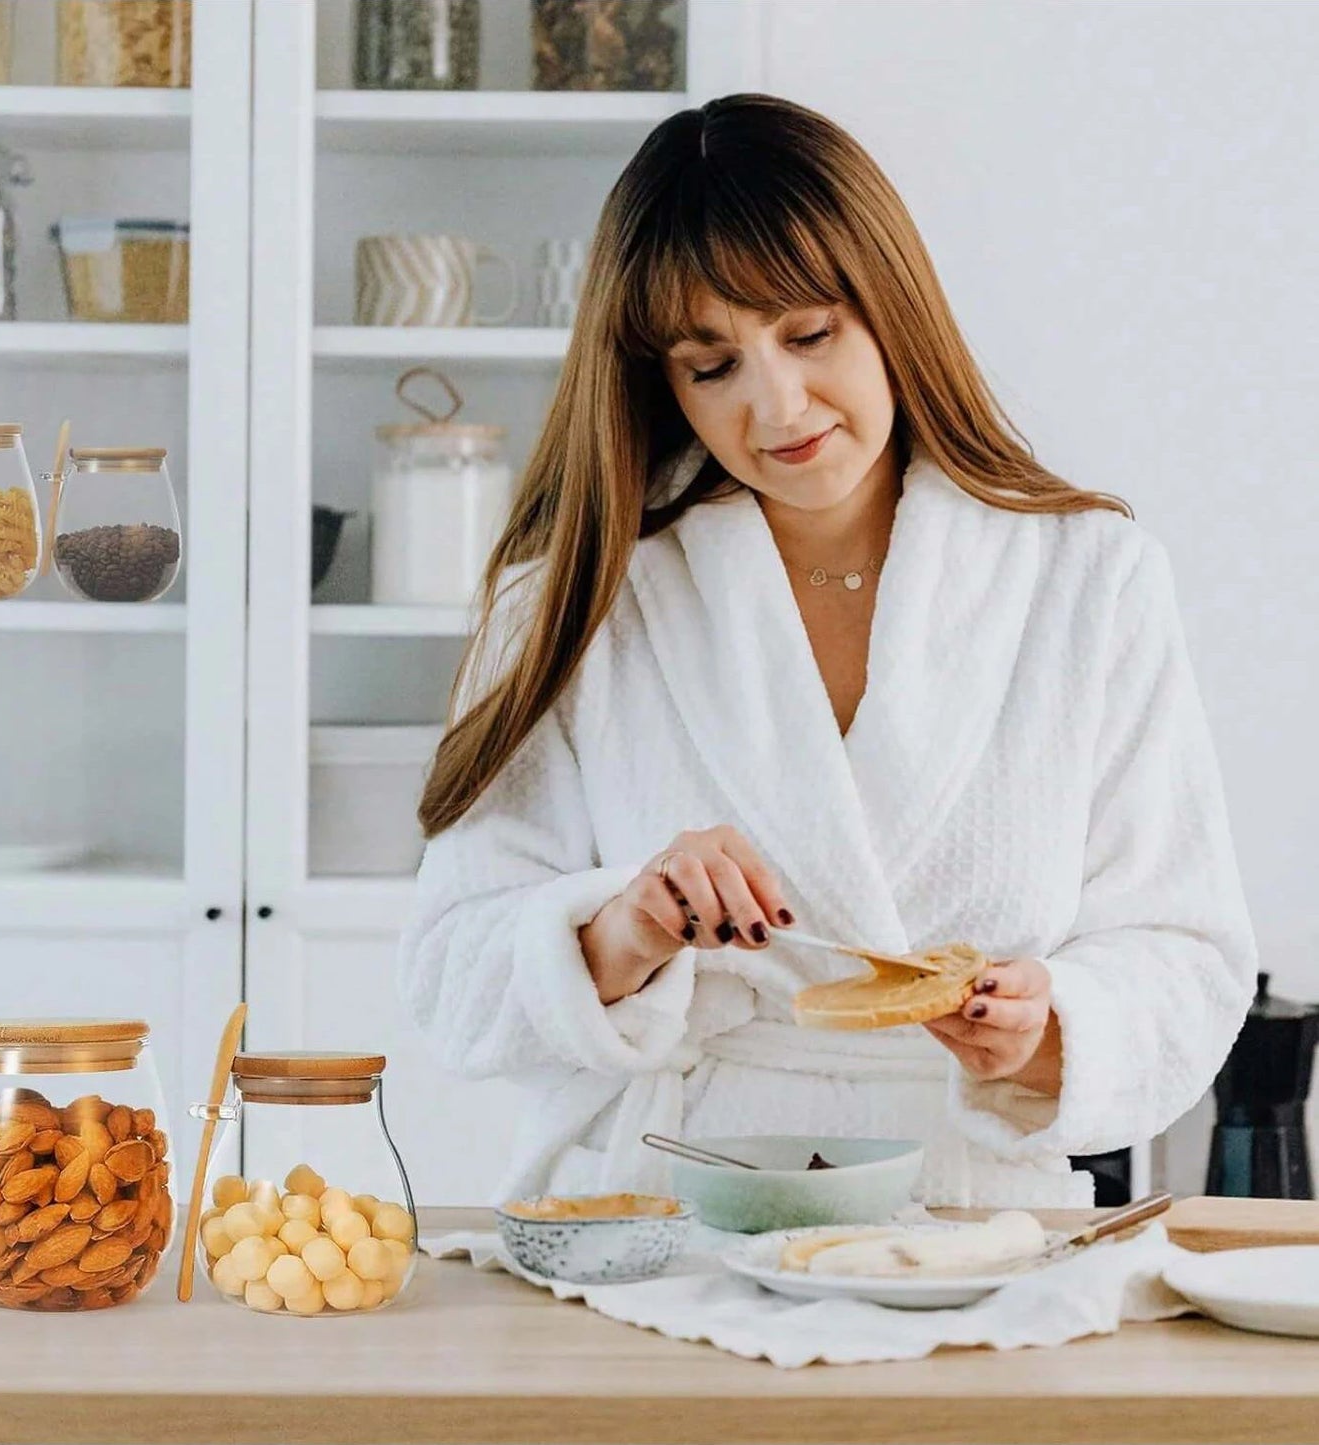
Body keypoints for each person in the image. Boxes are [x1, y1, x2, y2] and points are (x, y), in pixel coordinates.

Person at [396, 93, 1256, 1207]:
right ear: (660, 383)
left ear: (890, 305)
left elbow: (1183, 949)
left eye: (808, 334)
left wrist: (1042, 1031)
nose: (775, 403)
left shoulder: (1087, 578)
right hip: (664, 1207)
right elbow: (454, 975)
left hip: (968, 1219)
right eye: (711, 367)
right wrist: (631, 923)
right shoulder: (576, 598)